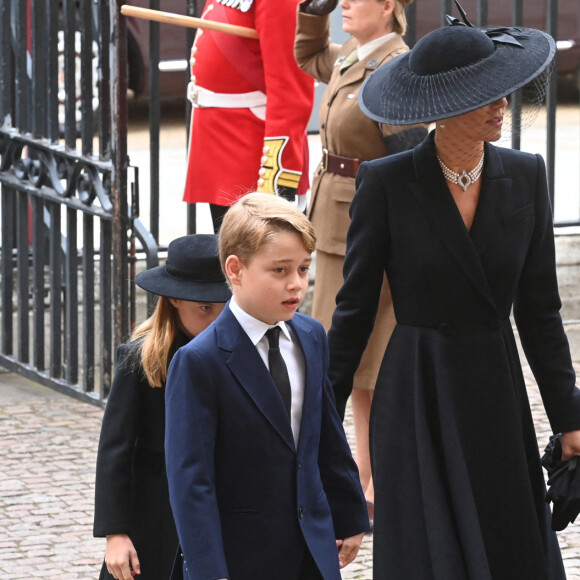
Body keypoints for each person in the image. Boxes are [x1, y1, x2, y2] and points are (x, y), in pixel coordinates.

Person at [327, 9, 580, 579]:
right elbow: (354, 312)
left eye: (501, 91)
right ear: (442, 110)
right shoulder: (386, 184)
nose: (502, 105)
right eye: (483, 96)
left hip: (495, 388)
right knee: (426, 550)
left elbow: (541, 314)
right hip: (418, 392)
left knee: (507, 540)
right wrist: (322, 423)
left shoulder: (526, 175)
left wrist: (570, 419)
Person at [164, 192, 369, 580]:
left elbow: (326, 433)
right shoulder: (198, 362)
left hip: (312, 549)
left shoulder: (311, 336)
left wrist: (349, 512)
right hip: (240, 558)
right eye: (280, 270)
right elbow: (191, 483)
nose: (297, 285)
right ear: (236, 269)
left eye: (304, 269)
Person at [294, 0, 426, 525]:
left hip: (368, 232)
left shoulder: (397, 67)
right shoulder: (353, 53)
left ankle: (371, 481)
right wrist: (312, 9)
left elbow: (413, 155)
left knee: (365, 363)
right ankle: (357, 475)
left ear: (389, 5)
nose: (343, 3)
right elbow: (307, 55)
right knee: (342, 356)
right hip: (332, 229)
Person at [93, 234, 231, 580]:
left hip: (220, 510)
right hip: (154, 515)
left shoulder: (238, 355)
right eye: (204, 309)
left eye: (226, 307)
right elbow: (115, 451)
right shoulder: (140, 360)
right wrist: (115, 534)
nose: (217, 320)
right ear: (173, 299)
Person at [183, 0, 315, 232]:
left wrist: (276, 183)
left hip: (252, 154)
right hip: (220, 145)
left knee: (263, 259)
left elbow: (290, 95)